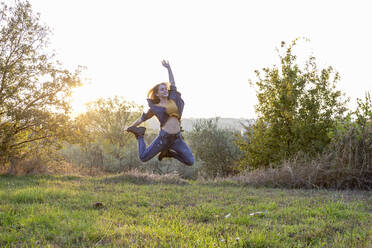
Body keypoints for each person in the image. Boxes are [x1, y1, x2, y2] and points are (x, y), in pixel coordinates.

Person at [126, 60, 194, 166]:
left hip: (177, 138)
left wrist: (169, 68)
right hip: (163, 138)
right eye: (162, 90)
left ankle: (168, 153)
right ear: (157, 94)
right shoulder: (155, 108)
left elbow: (173, 83)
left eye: (165, 89)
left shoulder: (173, 99)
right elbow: (142, 118)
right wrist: (131, 127)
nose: (165, 91)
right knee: (143, 157)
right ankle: (140, 135)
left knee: (190, 161)